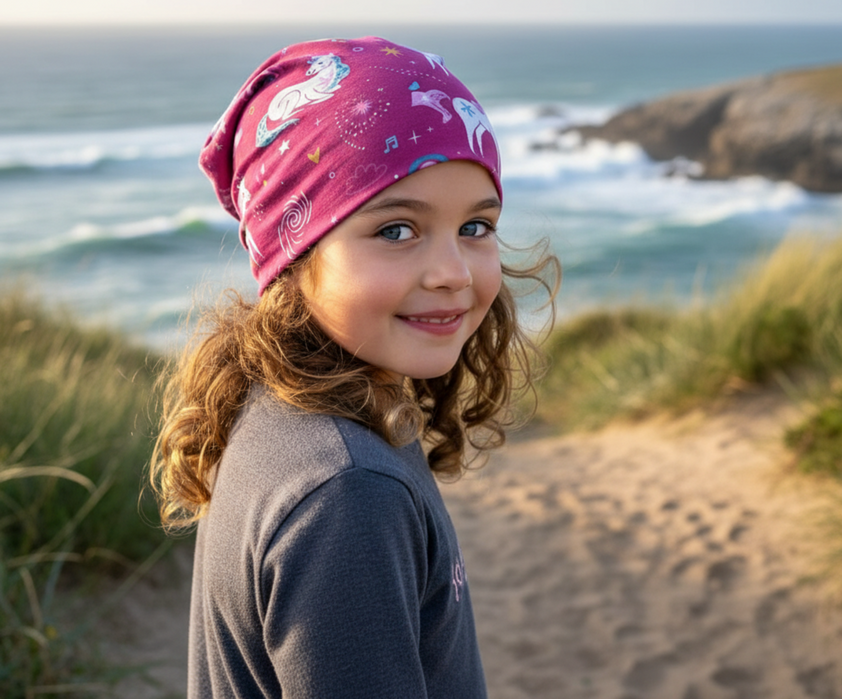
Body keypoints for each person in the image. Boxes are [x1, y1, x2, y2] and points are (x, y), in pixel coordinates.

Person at [150, 36, 557, 699]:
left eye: (476, 227)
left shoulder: (291, 411)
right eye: (396, 230)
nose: (453, 272)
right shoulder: (347, 496)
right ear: (297, 253)